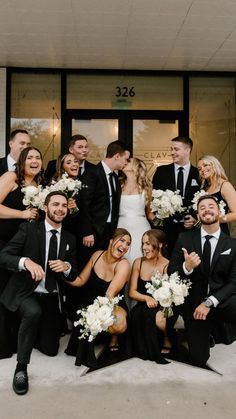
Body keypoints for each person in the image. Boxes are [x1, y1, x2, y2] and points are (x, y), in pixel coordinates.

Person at [0, 191, 77, 395]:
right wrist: (25, 262)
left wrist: (66, 266)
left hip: (50, 296)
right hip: (26, 291)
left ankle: (28, 333)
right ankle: (21, 369)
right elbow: (4, 255)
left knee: (50, 350)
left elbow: (74, 271)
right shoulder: (29, 229)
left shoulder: (70, 238)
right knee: (33, 312)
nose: (60, 209)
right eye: (55, 204)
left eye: (63, 206)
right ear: (45, 207)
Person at [168, 195, 236, 368]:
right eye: (202, 208)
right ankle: (206, 333)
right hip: (194, 304)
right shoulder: (185, 238)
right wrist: (187, 266)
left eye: (211, 206)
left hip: (220, 301)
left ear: (219, 212)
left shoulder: (232, 244)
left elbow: (233, 282)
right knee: (198, 359)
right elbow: (172, 272)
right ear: (198, 216)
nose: (207, 210)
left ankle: (222, 329)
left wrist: (209, 302)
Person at [65, 228, 131, 367]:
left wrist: (93, 315)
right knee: (81, 316)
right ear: (111, 240)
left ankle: (112, 336)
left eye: (128, 244)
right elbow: (81, 280)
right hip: (90, 300)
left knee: (119, 325)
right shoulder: (96, 255)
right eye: (122, 240)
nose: (125, 246)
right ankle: (99, 337)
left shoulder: (124, 264)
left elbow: (110, 294)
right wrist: (63, 273)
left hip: (112, 304)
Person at [0, 147, 43, 359]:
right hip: (2, 244)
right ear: (22, 161)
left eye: (38, 157)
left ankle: (15, 342)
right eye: (30, 157)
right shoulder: (10, 177)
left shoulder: (38, 186)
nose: (34, 161)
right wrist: (22, 214)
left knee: (15, 295)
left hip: (22, 251)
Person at [79, 140, 130, 264]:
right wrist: (87, 232)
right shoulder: (92, 172)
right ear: (117, 156)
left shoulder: (116, 178)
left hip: (109, 230)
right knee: (89, 263)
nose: (126, 162)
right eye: (126, 158)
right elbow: (84, 203)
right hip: (93, 231)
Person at [129, 229, 171, 364]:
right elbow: (132, 292)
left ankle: (166, 337)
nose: (144, 247)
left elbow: (170, 295)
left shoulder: (167, 265)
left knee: (158, 318)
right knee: (138, 312)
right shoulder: (138, 262)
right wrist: (146, 298)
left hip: (162, 305)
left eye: (148, 243)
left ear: (159, 245)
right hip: (143, 303)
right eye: (143, 244)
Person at [152, 136, 200, 255]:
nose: (172, 152)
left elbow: (203, 200)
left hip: (191, 231)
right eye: (171, 149)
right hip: (166, 231)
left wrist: (194, 220)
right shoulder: (161, 171)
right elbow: (153, 199)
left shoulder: (199, 173)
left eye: (176, 149)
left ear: (187, 150)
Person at [118, 157, 154, 265]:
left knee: (139, 257)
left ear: (137, 166)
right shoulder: (118, 184)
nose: (125, 162)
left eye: (128, 161)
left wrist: (162, 220)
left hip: (141, 227)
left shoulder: (146, 188)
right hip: (121, 225)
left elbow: (150, 213)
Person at [197, 155, 236, 235]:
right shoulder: (204, 188)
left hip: (220, 232)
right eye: (199, 169)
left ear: (214, 165)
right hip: (203, 232)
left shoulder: (225, 185)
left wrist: (216, 219)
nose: (202, 170)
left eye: (205, 165)